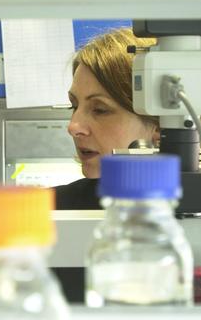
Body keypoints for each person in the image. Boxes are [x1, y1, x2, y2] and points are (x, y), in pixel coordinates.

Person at [53, 27, 158, 302]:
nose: (73, 126)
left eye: (99, 110)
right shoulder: (50, 210)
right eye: (73, 106)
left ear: (161, 126)